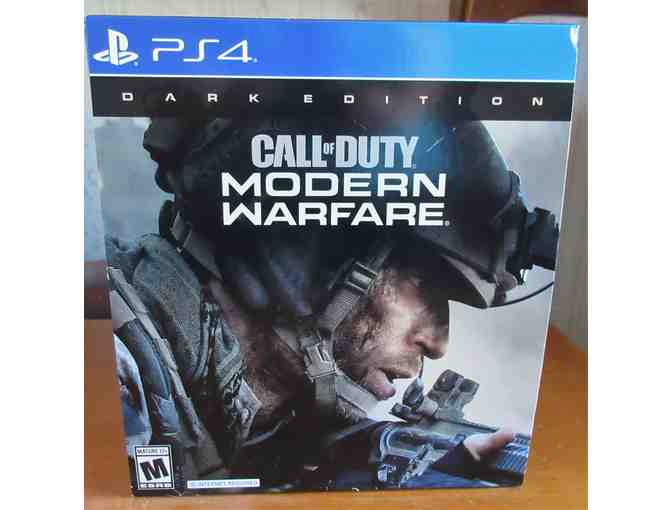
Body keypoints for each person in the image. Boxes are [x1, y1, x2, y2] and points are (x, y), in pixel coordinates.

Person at [107, 115, 558, 491]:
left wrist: (395, 467)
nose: (438, 344)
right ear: (304, 261)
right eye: (424, 285)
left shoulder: (233, 405)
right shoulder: (111, 377)